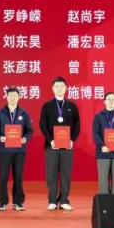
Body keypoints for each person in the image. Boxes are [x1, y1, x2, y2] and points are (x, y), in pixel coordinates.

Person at [39, 77, 81, 211]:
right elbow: (42, 125)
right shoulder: (47, 106)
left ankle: (63, 200)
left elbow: (77, 124)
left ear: (66, 88)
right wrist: (50, 140)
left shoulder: (72, 106)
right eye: (57, 86)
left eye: (62, 86)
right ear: (52, 88)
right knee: (51, 173)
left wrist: (72, 140)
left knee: (65, 173)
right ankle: (52, 200)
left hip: (67, 146)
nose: (59, 88)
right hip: (51, 145)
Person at [0, 87, 34, 211]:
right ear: (6, 97)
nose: (13, 98)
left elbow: (30, 130)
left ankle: (18, 202)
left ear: (19, 97)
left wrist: (25, 138)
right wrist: (0, 138)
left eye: (15, 95)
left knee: (18, 177)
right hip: (4, 150)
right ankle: (2, 202)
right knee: (3, 176)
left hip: (19, 151)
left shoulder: (24, 113)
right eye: (10, 95)